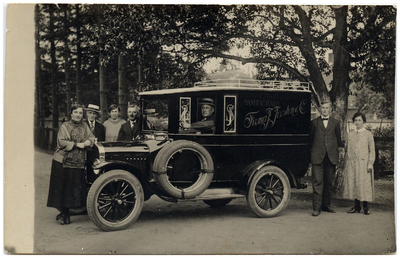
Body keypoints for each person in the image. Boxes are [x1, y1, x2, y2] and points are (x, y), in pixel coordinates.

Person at [47, 104, 95, 225]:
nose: (78, 115)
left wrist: (89, 141)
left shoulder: (85, 125)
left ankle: (66, 213)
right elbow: (61, 141)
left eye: (80, 113)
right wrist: (77, 144)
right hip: (63, 161)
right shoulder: (65, 126)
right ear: (71, 113)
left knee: (72, 188)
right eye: (76, 112)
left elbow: (92, 137)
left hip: (78, 162)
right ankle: (64, 213)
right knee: (63, 187)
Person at [310, 100, 342, 216]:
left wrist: (336, 154)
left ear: (330, 109)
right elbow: (310, 141)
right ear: (320, 109)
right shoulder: (313, 123)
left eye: (326, 108)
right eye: (322, 108)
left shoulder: (336, 123)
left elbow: (338, 140)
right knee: (317, 182)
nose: (324, 110)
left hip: (331, 156)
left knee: (328, 183)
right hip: (317, 156)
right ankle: (316, 208)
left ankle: (326, 205)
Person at [343, 113, 375, 215]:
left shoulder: (368, 134)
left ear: (363, 121)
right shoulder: (350, 134)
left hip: (364, 163)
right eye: (356, 120)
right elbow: (346, 148)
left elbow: (372, 150)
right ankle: (356, 206)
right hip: (352, 163)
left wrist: (370, 163)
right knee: (354, 183)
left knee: (363, 184)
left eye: (359, 120)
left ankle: (365, 207)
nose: (357, 122)